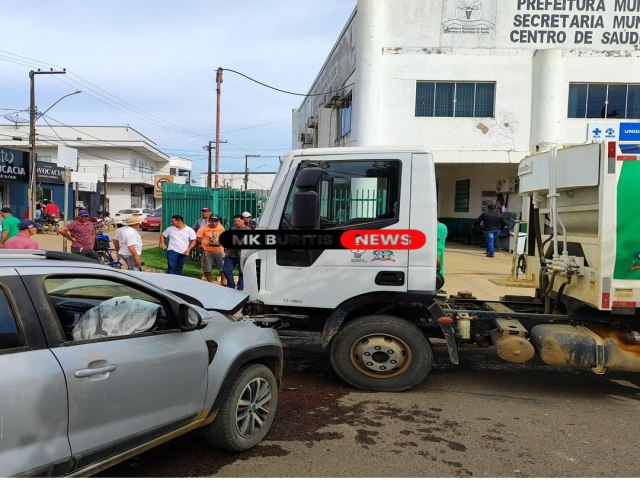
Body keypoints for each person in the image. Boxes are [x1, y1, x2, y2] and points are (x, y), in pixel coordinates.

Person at [196, 214, 225, 283]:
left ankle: (223, 280)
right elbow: (198, 238)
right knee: (207, 268)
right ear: (209, 221)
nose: (214, 223)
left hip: (220, 250)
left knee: (223, 267)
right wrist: (204, 242)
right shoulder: (203, 228)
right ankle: (210, 282)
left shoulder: (221, 228)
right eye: (212, 221)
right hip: (207, 251)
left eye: (216, 221)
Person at [223, 214, 249, 290]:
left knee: (241, 272)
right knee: (226, 269)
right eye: (235, 221)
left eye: (238, 221)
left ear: (243, 220)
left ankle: (241, 287)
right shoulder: (232, 228)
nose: (237, 222)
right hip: (231, 254)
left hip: (242, 254)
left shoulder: (248, 230)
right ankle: (231, 285)